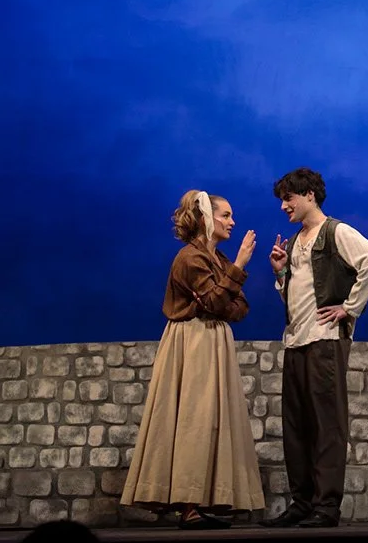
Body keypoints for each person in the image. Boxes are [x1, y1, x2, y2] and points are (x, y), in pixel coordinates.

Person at [121, 190, 265, 528]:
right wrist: (239, 268)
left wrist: (224, 293)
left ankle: (205, 497)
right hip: (194, 341)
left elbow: (239, 307)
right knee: (193, 419)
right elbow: (218, 304)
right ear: (206, 218)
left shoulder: (217, 259)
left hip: (214, 339)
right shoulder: (189, 258)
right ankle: (187, 503)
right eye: (226, 215)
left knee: (214, 419)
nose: (233, 221)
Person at [259, 167, 368, 529]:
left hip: (325, 339)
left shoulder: (336, 231)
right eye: (283, 199)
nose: (284, 205)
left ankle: (326, 505)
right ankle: (302, 501)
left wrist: (350, 306)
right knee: (297, 424)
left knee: (327, 424)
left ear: (309, 195)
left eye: (289, 197)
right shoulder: (298, 238)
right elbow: (296, 294)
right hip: (297, 338)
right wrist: (281, 273)